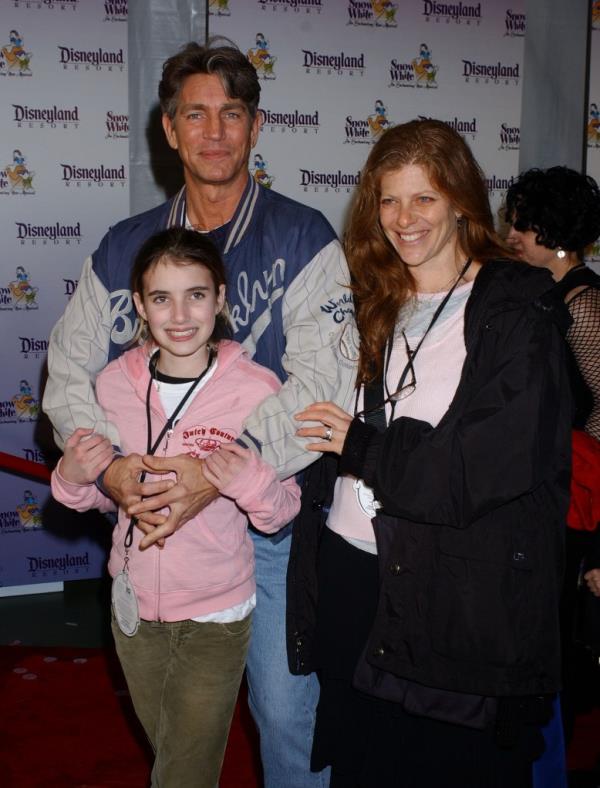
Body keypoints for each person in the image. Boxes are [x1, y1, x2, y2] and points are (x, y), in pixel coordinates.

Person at [42, 41, 355, 788]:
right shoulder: (125, 248)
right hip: (154, 535)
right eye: (196, 114)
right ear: (169, 129)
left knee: (284, 715)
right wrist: (115, 468)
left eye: (232, 114)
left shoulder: (304, 235)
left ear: (255, 127)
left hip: (270, 523)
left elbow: (322, 389)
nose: (215, 132)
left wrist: (214, 475)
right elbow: (67, 372)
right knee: (178, 728)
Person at [291, 120, 573, 787]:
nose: (404, 218)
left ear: (461, 202)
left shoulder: (515, 311)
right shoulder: (374, 300)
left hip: (454, 596)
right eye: (390, 199)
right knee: (361, 765)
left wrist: (360, 443)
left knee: (447, 768)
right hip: (353, 581)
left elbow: (480, 466)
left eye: (425, 198)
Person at [51, 228, 301, 787]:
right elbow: (98, 496)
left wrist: (252, 478)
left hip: (216, 614)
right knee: (173, 753)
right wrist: (71, 477)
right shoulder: (113, 384)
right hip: (132, 611)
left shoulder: (256, 389)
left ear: (221, 299)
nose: (180, 314)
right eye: (162, 298)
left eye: (196, 294)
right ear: (140, 305)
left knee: (185, 769)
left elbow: (282, 510)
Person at [506, 167, 600, 767]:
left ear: (550, 229)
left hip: (578, 505)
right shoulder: (537, 292)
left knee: (558, 653)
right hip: (545, 495)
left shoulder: (585, 303)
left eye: (521, 222)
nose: (510, 233)